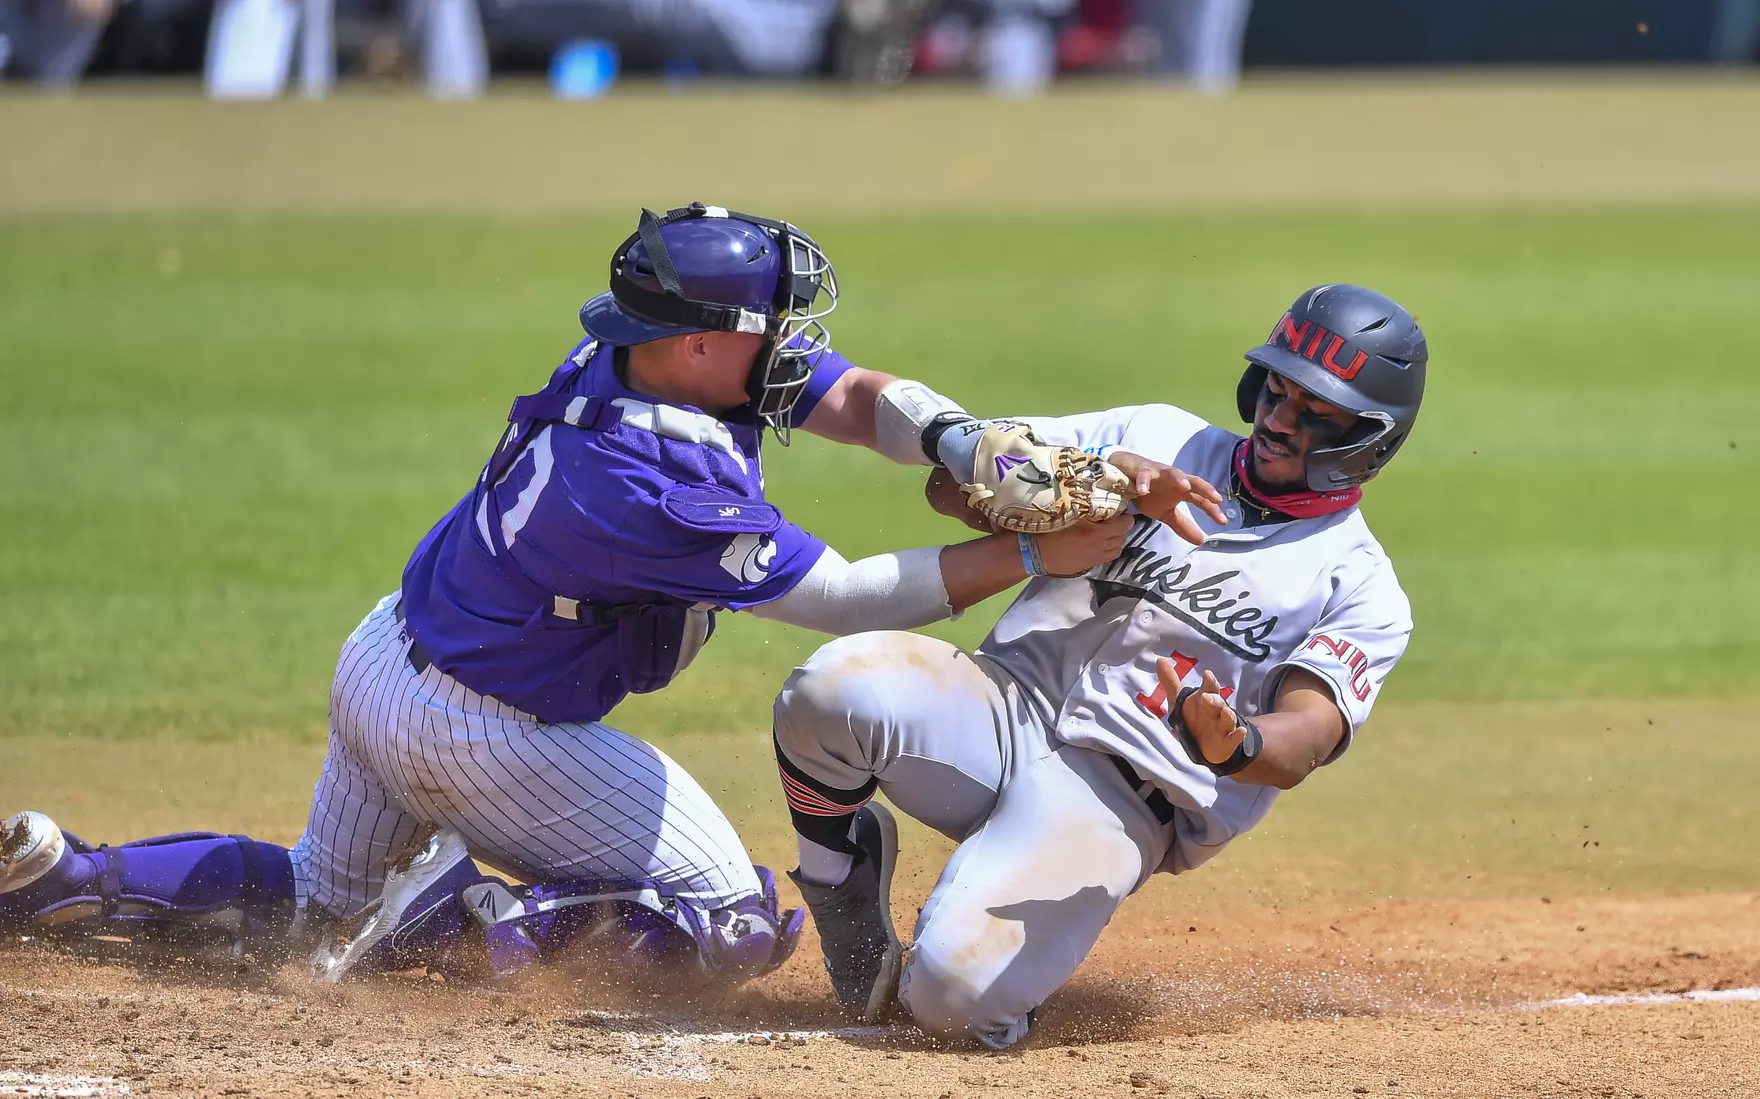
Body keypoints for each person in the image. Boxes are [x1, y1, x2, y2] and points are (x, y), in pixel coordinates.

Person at [0, 203, 1203, 990]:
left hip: (386, 659)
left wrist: (960, 440)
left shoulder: (628, 356)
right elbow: (841, 596)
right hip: (486, 732)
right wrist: (1041, 556)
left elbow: (844, 394)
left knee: (314, 905)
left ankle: (65, 877)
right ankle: (458, 916)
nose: (785, 337)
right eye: (764, 321)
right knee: (734, 919)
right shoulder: (650, 478)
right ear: (695, 345)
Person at [771, 283, 1424, 1041]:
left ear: (1368, 439)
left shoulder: (1360, 586)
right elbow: (950, 483)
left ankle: (1000, 960)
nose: (1279, 420)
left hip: (1113, 798)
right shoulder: (1157, 435)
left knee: (950, 1001)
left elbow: (1305, 738)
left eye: (1316, 415)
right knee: (828, 692)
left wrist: (1236, 740)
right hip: (997, 708)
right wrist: (1099, 484)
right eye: (1277, 391)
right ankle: (838, 883)